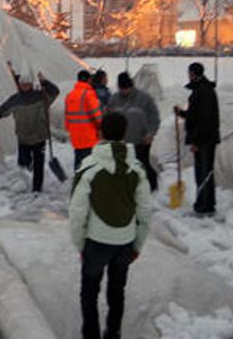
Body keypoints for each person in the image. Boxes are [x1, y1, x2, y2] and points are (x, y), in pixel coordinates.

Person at [69, 112, 153, 339]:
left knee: (89, 293)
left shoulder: (89, 168)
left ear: (100, 133)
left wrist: (81, 246)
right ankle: (113, 333)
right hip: (125, 242)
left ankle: (91, 335)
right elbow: (145, 211)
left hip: (96, 243)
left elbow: (77, 212)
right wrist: (137, 244)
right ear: (124, 134)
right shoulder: (136, 170)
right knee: (117, 291)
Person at [0, 72, 60, 192]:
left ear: (31, 85)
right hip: (23, 138)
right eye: (23, 84)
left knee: (39, 165)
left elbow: (55, 91)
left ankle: (37, 189)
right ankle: (26, 181)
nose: (25, 87)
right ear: (19, 85)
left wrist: (44, 81)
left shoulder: (41, 96)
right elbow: (3, 110)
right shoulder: (15, 99)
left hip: (39, 137)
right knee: (23, 163)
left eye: (27, 84)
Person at [174, 62, 220, 216]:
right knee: (201, 172)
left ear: (193, 74)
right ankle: (203, 203)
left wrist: (196, 141)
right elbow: (194, 115)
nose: (188, 76)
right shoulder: (201, 90)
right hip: (204, 138)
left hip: (204, 140)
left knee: (204, 172)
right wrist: (182, 113)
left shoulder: (203, 92)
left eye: (189, 73)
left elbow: (203, 119)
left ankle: (205, 205)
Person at [108, 72, 161, 193]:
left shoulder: (145, 98)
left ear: (131, 86)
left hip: (141, 141)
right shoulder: (114, 99)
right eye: (122, 89)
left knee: (142, 164)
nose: (124, 91)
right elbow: (108, 117)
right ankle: (126, 188)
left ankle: (152, 188)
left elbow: (155, 118)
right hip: (121, 142)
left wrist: (150, 133)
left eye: (126, 88)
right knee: (123, 166)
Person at [65, 70, 104, 171]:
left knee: (78, 161)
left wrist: (71, 129)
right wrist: (102, 128)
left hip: (75, 135)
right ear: (89, 80)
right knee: (88, 164)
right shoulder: (89, 94)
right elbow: (97, 115)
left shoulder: (70, 95)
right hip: (88, 136)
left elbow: (67, 118)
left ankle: (78, 181)